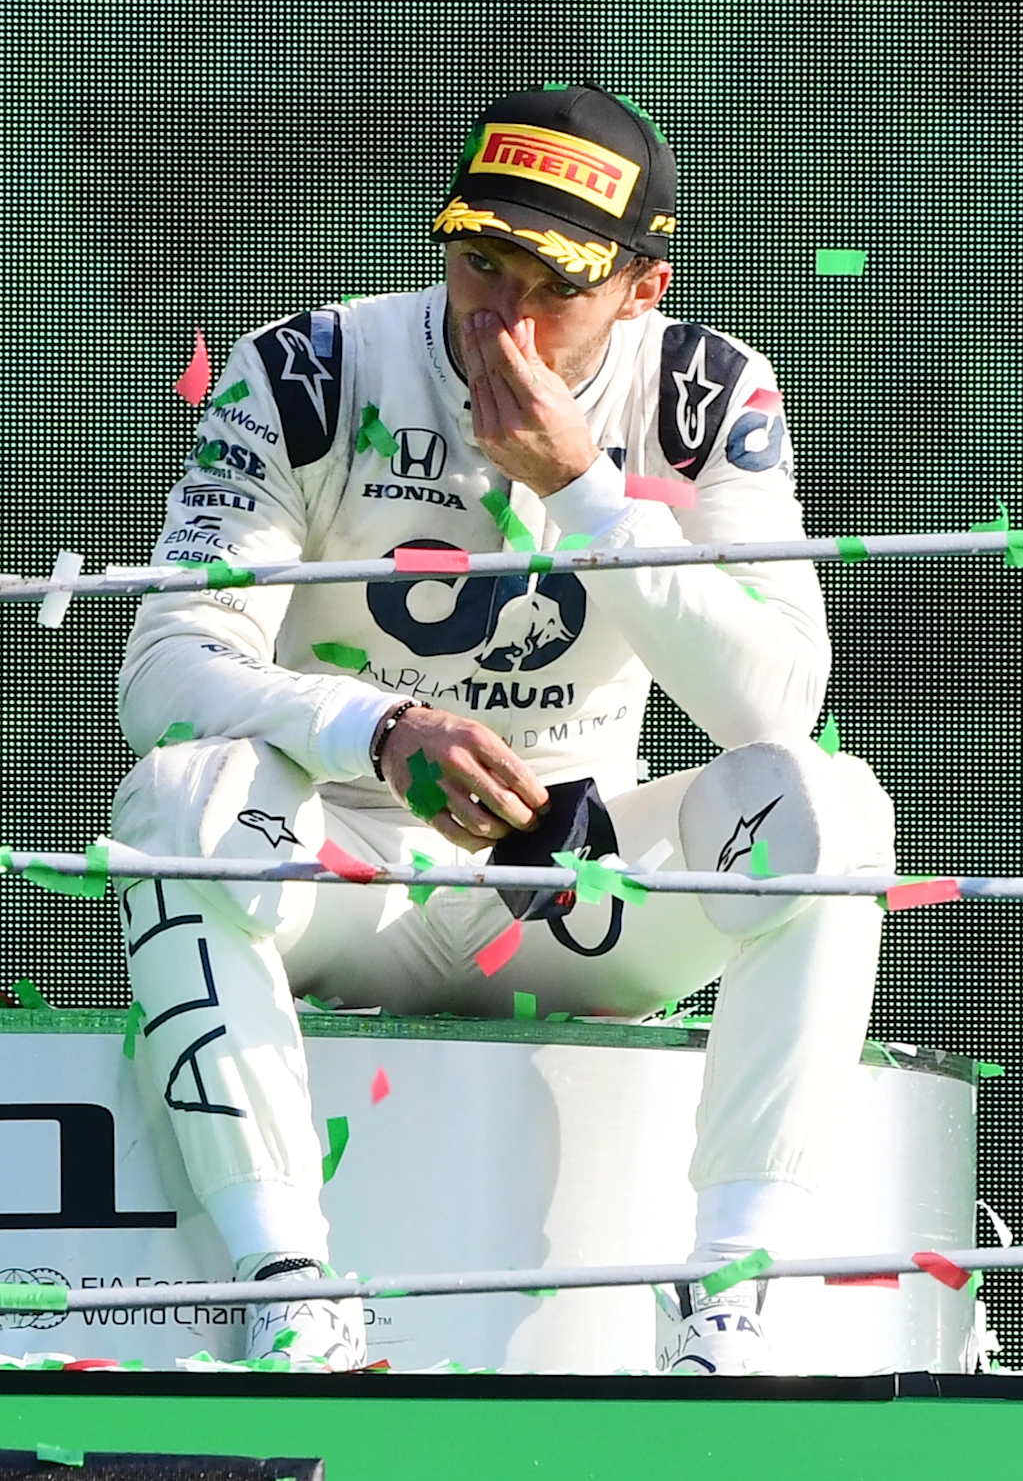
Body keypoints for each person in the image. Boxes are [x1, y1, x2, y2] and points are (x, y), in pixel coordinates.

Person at [109, 81, 894, 1374]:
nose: (503, 317)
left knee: (830, 805)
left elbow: (774, 702)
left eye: (554, 284)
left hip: (562, 893)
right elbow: (168, 665)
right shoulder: (310, 367)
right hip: (333, 870)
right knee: (182, 799)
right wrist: (376, 727)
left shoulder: (706, 390)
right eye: (480, 264)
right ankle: (288, 1285)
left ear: (644, 287)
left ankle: (733, 1300)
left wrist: (584, 490)